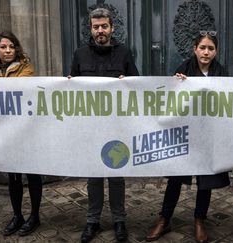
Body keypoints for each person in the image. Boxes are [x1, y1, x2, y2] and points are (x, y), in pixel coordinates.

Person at [145, 31, 230, 243]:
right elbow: (171, 100)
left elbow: (228, 102)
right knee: (175, 178)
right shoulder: (183, 68)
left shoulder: (221, 72)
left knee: (205, 180)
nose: (206, 52)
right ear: (195, 49)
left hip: (208, 134)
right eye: (203, 48)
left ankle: (199, 220)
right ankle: (164, 219)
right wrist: (176, 83)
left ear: (215, 51)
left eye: (211, 48)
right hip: (184, 134)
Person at [69, 8, 139, 243]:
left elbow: (138, 87)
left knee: (116, 175)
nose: (100, 31)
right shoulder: (80, 55)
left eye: (104, 26)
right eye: (96, 27)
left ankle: (119, 220)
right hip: (90, 126)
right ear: (91, 29)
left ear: (112, 28)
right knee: (94, 176)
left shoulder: (124, 53)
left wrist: (127, 83)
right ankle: (92, 221)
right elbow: (71, 89)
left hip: (116, 126)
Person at [0, 31, 42, 236]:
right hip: (5, 133)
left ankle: (34, 216)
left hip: (26, 130)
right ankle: (17, 215)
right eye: (3, 47)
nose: (8, 51)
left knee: (32, 174)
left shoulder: (26, 68)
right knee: (13, 176)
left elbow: (17, 87)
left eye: (11, 47)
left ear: (17, 49)